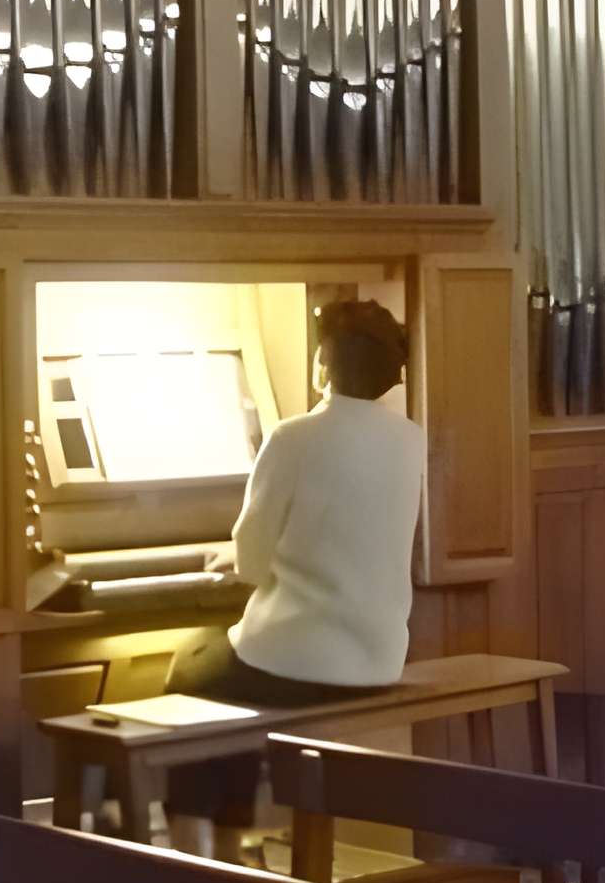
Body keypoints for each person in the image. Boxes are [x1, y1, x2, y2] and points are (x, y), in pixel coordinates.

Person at [160, 299, 425, 845]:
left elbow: (253, 563)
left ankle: (205, 850)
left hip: (304, 662)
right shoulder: (411, 439)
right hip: (378, 658)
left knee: (192, 669)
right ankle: (234, 847)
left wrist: (241, 554)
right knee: (222, 672)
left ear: (322, 364)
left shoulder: (292, 436)